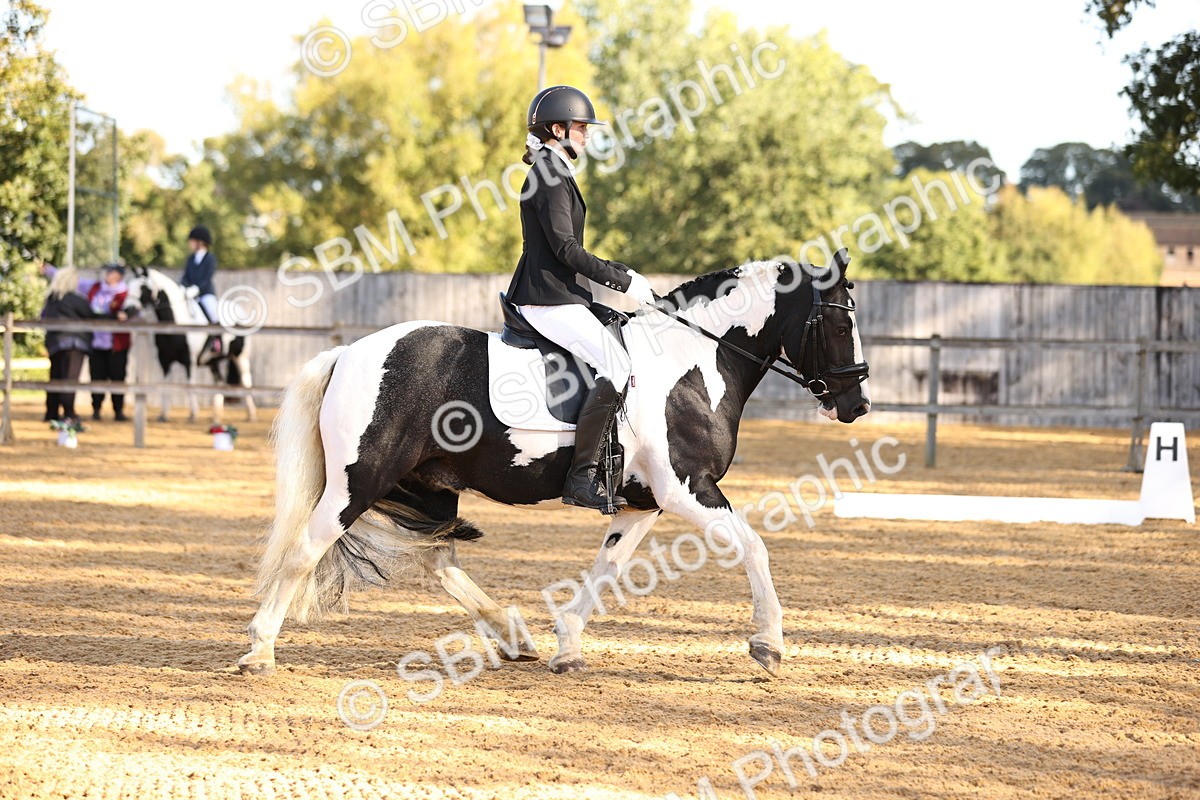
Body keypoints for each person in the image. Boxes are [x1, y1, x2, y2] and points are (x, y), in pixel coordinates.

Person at [505, 85, 657, 512]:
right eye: (581, 127)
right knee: (618, 364)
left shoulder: (554, 170)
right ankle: (581, 478)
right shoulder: (549, 174)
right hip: (545, 298)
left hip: (561, 294)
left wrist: (617, 276)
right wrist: (621, 282)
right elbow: (565, 250)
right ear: (558, 129)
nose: (588, 135)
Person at [40, 267, 101, 423]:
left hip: (55, 343)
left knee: (55, 377)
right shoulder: (77, 299)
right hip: (75, 344)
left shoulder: (51, 300)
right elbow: (93, 315)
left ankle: (51, 412)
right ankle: (68, 413)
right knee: (70, 379)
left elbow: (43, 318)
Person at [84, 263, 137, 421]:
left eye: (111, 272)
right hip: (96, 341)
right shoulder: (96, 288)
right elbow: (76, 282)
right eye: (108, 271)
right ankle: (96, 409)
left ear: (119, 275)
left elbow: (136, 310)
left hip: (117, 343)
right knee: (97, 376)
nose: (108, 274)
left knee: (118, 376)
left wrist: (127, 315)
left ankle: (118, 410)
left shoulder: (126, 293)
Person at [182, 225, 221, 354]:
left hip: (205, 293)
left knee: (212, 313)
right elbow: (185, 276)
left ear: (200, 242)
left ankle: (217, 340)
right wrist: (184, 286)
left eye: (192, 241)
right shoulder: (190, 259)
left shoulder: (210, 258)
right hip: (190, 294)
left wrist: (197, 289)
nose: (190, 244)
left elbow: (207, 278)